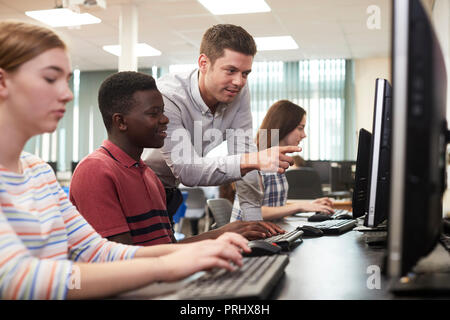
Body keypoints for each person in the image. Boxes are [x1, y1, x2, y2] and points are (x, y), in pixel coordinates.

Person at [0, 20, 249, 300]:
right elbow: (18, 280)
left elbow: (98, 251)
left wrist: (200, 249)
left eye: (67, 81)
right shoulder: (95, 169)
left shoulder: (38, 172)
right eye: (49, 78)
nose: (67, 94)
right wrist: (167, 265)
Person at [70, 71, 285, 245]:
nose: (165, 120)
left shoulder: (148, 175)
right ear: (121, 122)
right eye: (154, 113)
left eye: (163, 111)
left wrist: (226, 232)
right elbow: (121, 262)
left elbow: (168, 248)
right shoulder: (95, 171)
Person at [142, 24, 299, 224]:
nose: (239, 81)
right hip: (137, 187)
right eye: (231, 70)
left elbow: (243, 149)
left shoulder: (237, 90)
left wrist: (254, 223)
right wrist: (253, 160)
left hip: (170, 189)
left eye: (245, 73)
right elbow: (188, 170)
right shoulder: (168, 96)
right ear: (203, 63)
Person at [231, 100, 334, 221]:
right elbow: (250, 213)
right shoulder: (255, 160)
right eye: (300, 128)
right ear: (285, 127)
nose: (304, 135)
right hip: (245, 236)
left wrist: (310, 205)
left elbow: (274, 207)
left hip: (269, 233)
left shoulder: (277, 161)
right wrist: (299, 206)